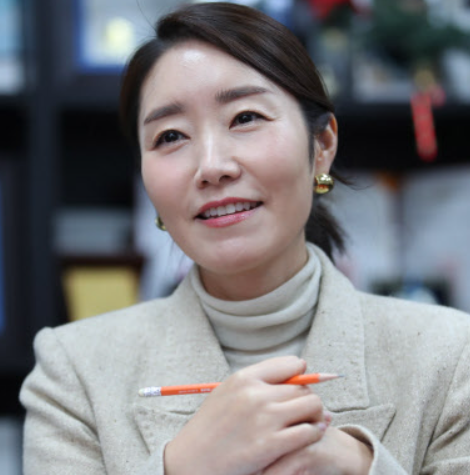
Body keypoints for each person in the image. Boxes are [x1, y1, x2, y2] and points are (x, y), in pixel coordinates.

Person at [20, 2, 470, 474]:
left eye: (245, 118)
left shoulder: (448, 355)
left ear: (321, 146)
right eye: (170, 136)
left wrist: (359, 465)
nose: (212, 166)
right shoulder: (75, 370)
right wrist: (185, 467)